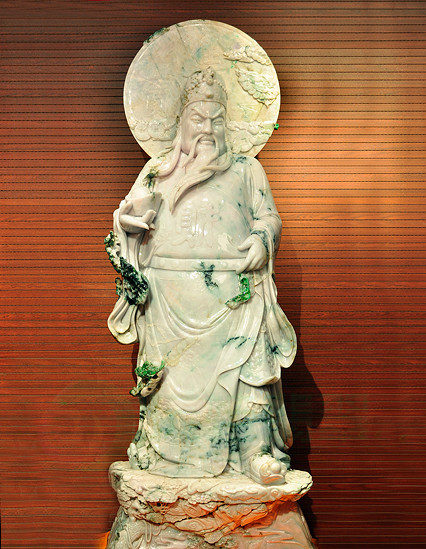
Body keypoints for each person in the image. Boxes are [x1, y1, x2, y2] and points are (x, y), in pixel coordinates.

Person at [106, 68, 297, 485]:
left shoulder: (247, 170)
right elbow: (125, 220)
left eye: (217, 119)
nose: (207, 129)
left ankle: (255, 453)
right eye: (198, 118)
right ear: (181, 123)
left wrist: (262, 239)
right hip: (168, 299)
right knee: (169, 379)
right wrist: (128, 227)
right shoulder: (157, 170)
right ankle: (166, 455)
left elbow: (269, 217)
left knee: (248, 368)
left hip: (234, 296)